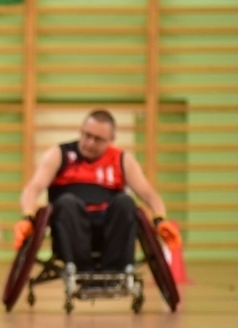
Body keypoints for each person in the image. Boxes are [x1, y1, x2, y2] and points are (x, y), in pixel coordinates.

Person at [15, 109, 182, 276]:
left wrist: (160, 220)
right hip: (71, 230)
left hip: (109, 232)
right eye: (87, 135)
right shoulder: (59, 154)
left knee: (125, 202)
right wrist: (27, 216)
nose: (90, 143)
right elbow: (33, 188)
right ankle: (82, 271)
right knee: (67, 202)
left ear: (111, 140)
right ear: (81, 130)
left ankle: (115, 272)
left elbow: (149, 193)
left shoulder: (122, 159)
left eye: (98, 139)